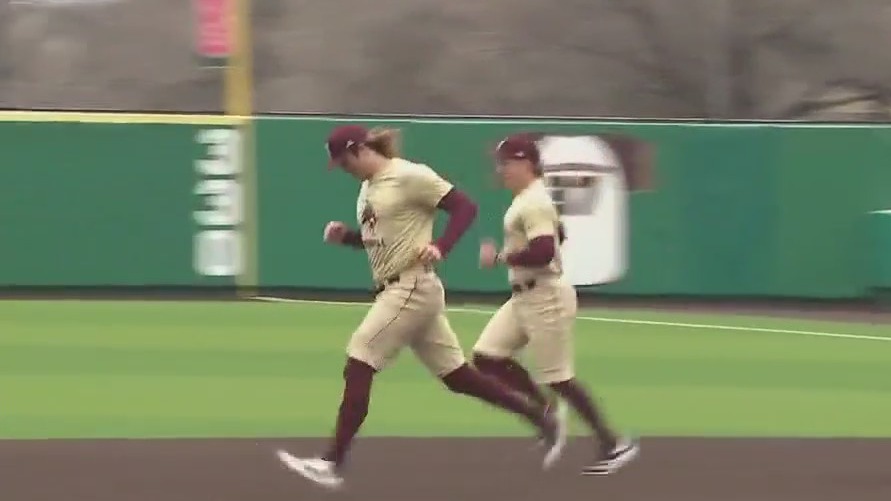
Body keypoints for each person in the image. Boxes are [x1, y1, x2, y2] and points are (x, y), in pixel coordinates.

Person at [276, 125, 562, 489]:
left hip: (410, 287)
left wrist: (442, 245)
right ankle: (539, 417)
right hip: (403, 289)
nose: (344, 169)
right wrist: (347, 237)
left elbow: (464, 207)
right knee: (458, 377)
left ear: (360, 149)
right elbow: (380, 242)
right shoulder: (368, 189)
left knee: (360, 359)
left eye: (344, 161)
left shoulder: (409, 175)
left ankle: (331, 463)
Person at [473, 133, 639, 476]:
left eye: (505, 163)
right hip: (524, 296)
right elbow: (559, 234)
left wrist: (501, 256)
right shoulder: (530, 199)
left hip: (544, 296)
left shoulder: (532, 201)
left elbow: (545, 250)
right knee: (487, 356)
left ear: (524, 163)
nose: (500, 169)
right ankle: (546, 410)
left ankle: (613, 442)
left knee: (560, 378)